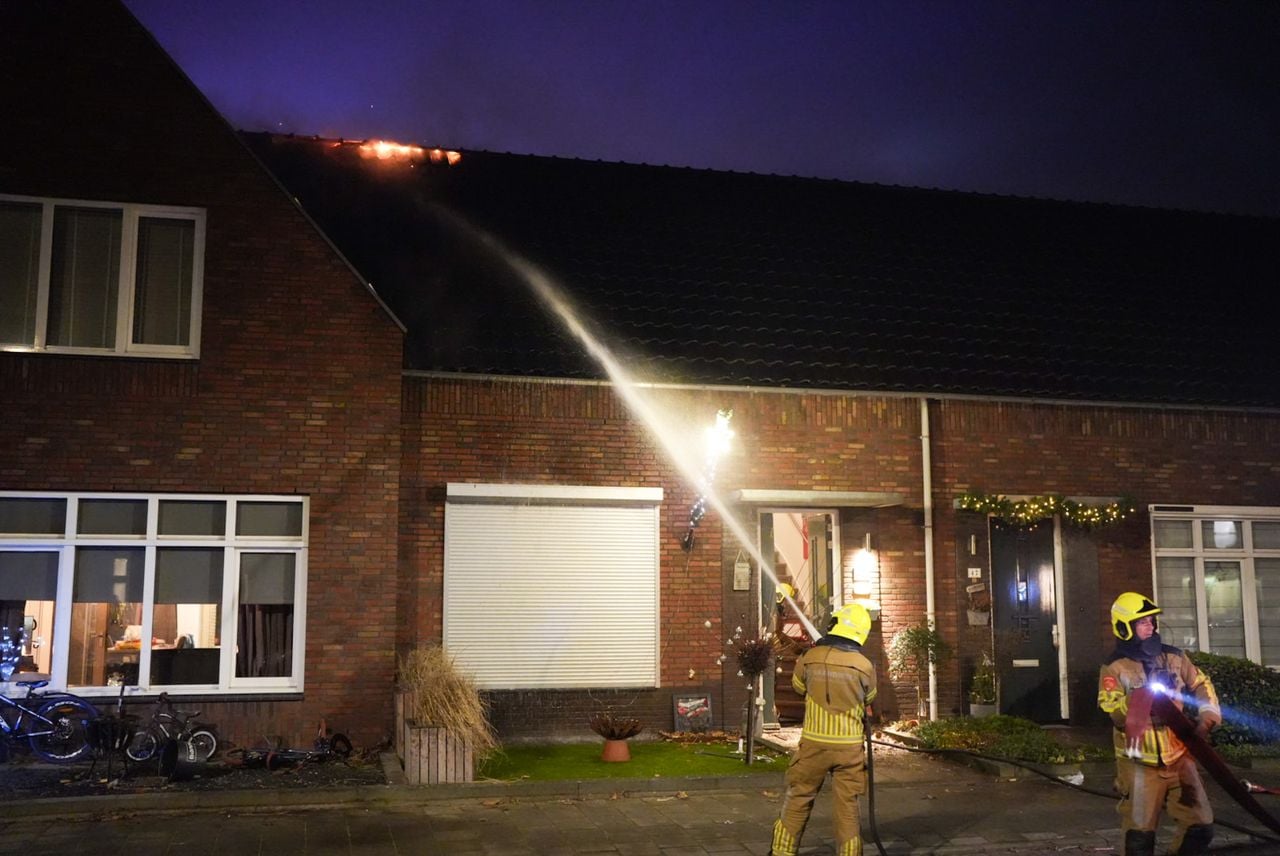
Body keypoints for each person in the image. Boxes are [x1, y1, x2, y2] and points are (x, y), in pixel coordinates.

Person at [1098, 592, 1222, 856]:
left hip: (1179, 756)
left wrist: (1207, 716)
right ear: (1124, 627)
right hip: (1140, 763)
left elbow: (1202, 683)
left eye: (1152, 621)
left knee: (1201, 827)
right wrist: (1138, 699)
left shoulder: (1175, 657)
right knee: (1139, 838)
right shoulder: (1114, 667)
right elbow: (1113, 711)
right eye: (1143, 623)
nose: (1151, 627)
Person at [770, 602, 877, 856]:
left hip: (814, 746)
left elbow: (797, 686)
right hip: (849, 750)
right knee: (847, 808)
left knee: (798, 798)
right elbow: (870, 697)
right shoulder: (864, 666)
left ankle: (781, 852)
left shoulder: (810, 657)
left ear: (834, 625)